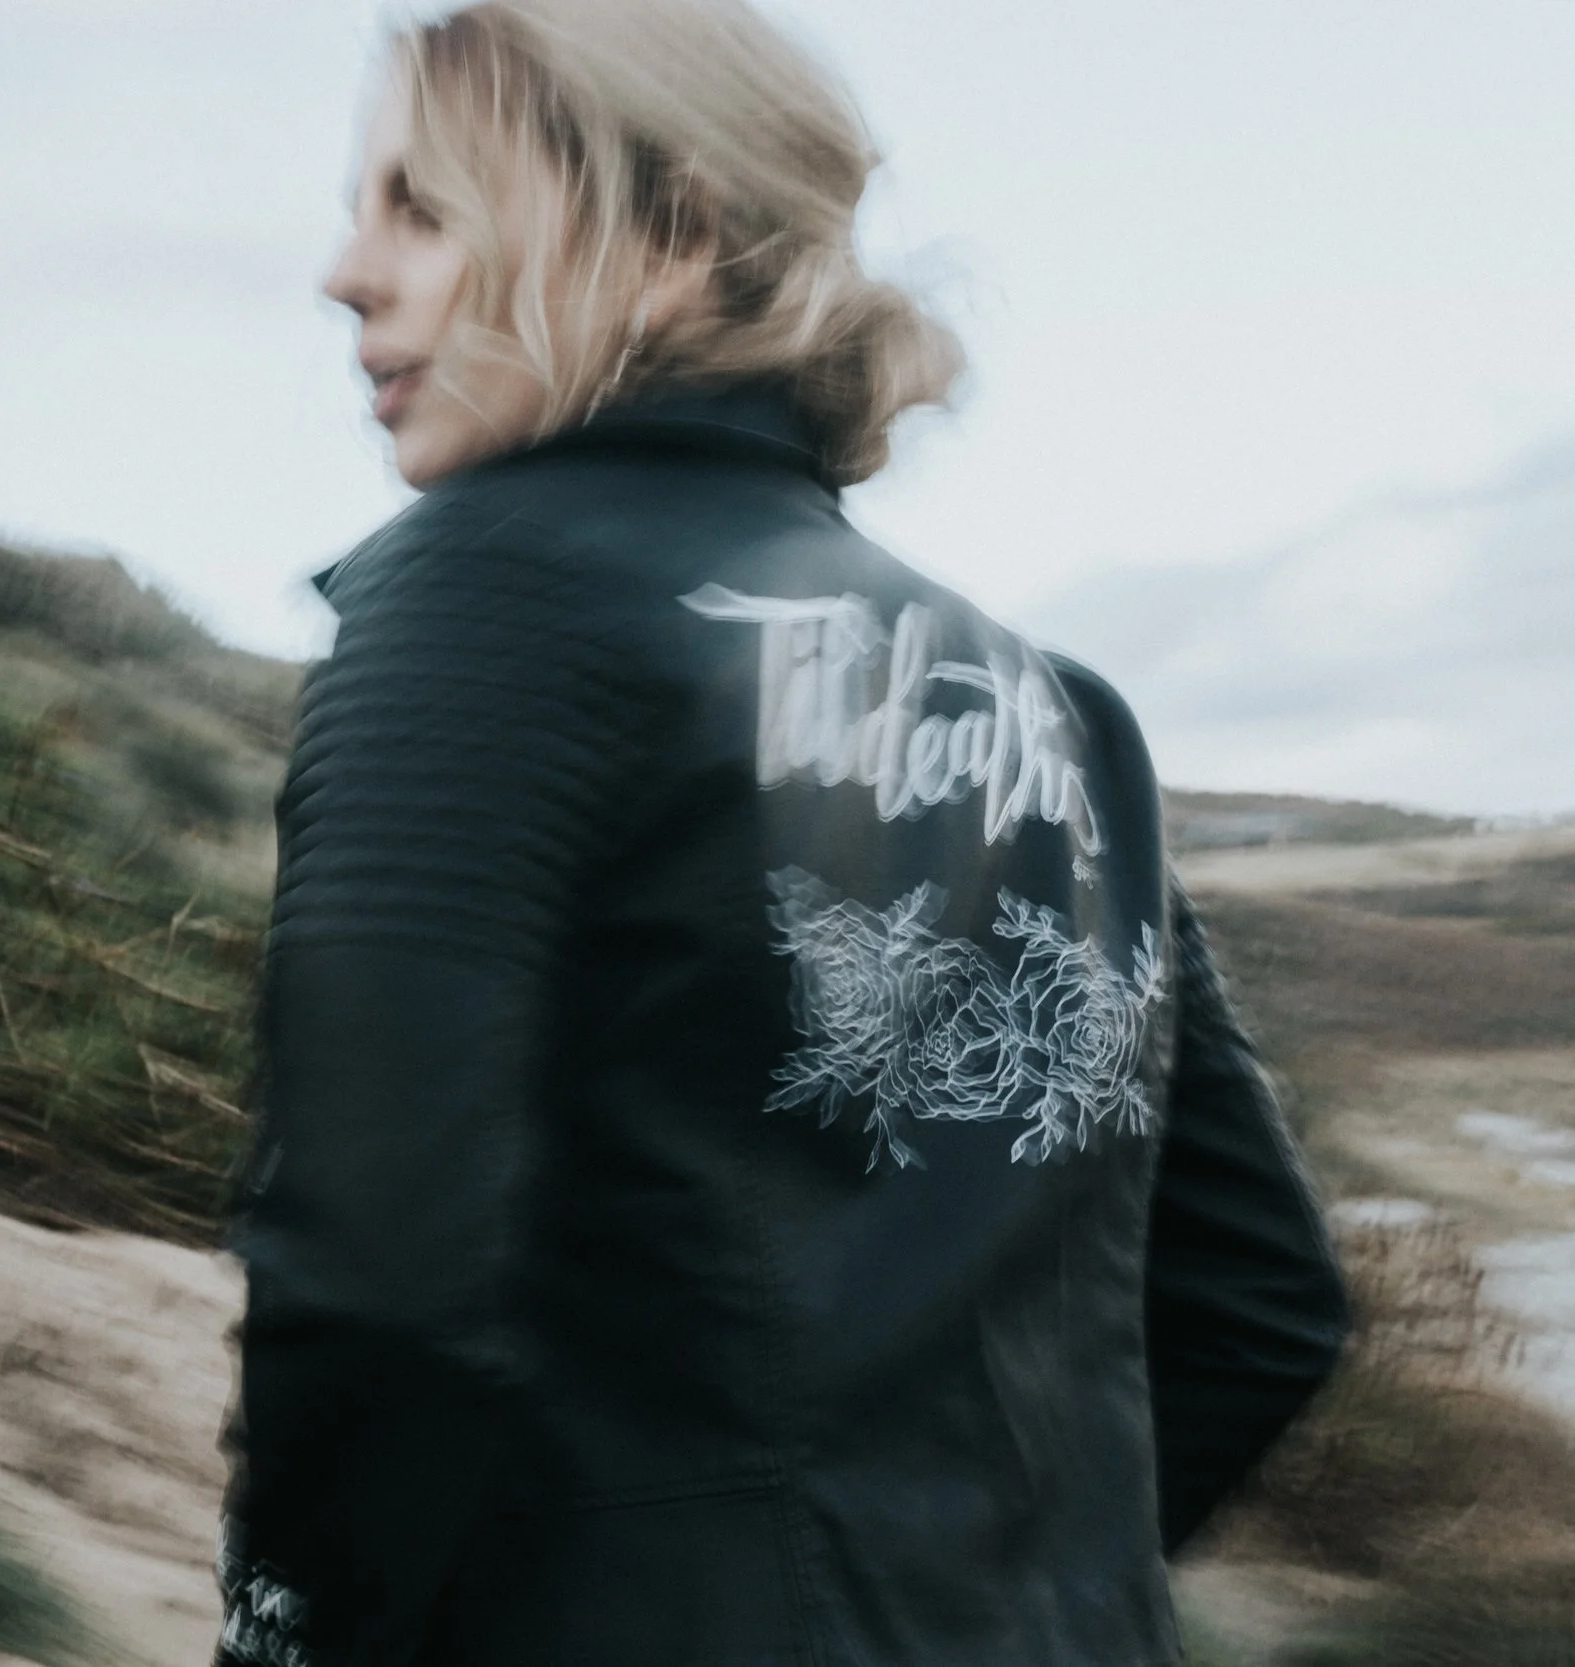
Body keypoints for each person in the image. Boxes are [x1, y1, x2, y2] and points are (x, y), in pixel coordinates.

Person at [217, 2, 1348, 1662]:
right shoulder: (1063, 708)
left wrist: (286, 1642)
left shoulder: (492, 592)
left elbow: (378, 1296)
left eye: (424, 207)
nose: (346, 269)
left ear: (673, 235)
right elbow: (1263, 1304)